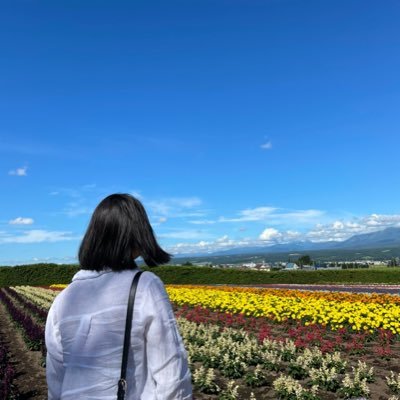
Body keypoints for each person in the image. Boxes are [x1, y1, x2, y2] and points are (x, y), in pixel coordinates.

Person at [45, 193, 193, 400]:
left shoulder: (63, 299)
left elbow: (55, 377)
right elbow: (170, 372)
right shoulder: (144, 286)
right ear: (134, 237)